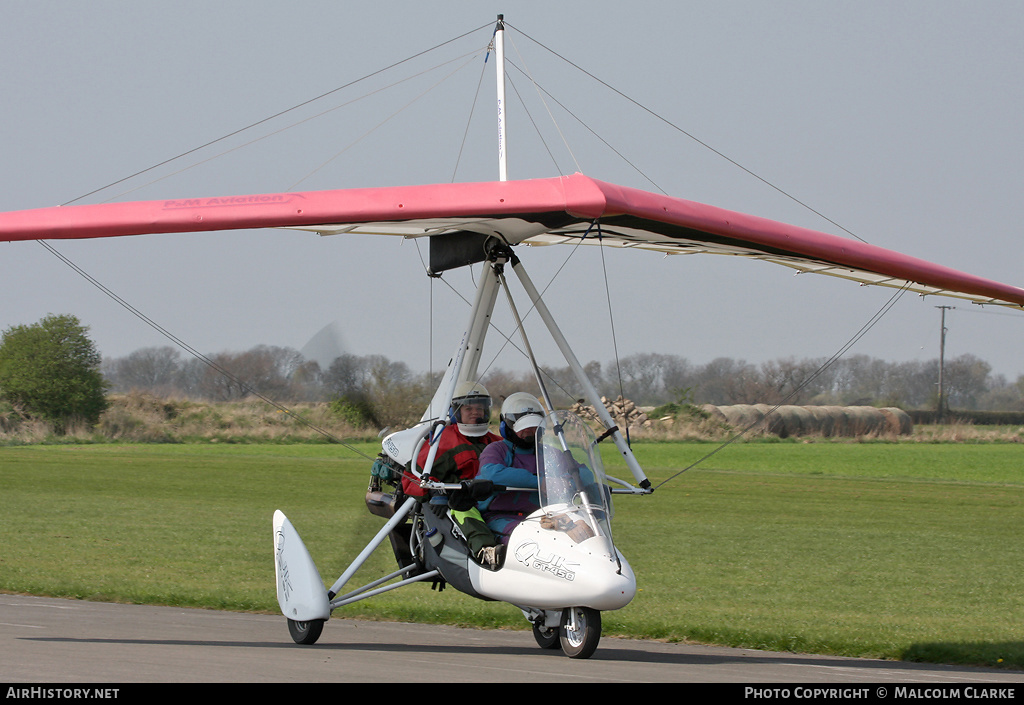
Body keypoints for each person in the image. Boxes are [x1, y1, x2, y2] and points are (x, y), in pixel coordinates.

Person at [401, 380, 502, 565]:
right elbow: (411, 478)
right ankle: (485, 552)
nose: (475, 413)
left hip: (497, 501)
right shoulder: (444, 442)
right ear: (456, 412)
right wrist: (436, 491)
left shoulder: (497, 443)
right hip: (463, 504)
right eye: (468, 409)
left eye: (479, 409)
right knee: (465, 510)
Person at [477, 392, 545, 545]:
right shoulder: (496, 449)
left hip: (543, 517)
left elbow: (582, 473)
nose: (529, 430)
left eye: (534, 426)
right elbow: (492, 474)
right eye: (524, 427)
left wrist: (565, 480)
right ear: (506, 427)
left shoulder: (548, 452)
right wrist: (540, 482)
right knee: (529, 540)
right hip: (500, 516)